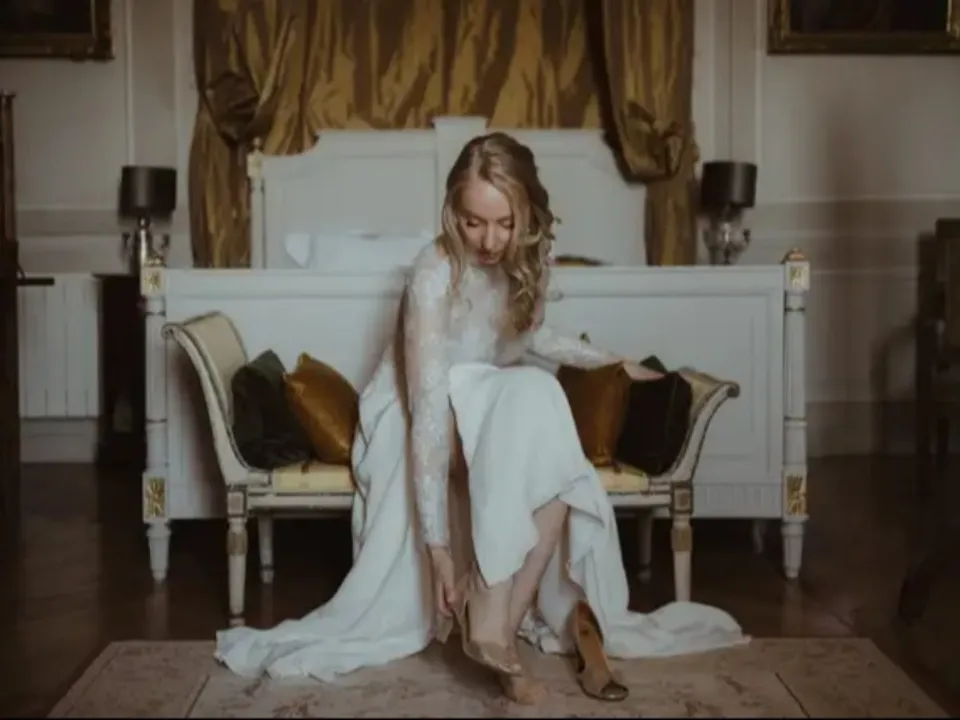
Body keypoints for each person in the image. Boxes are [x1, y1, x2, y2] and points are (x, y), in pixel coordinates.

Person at [215, 132, 749, 704]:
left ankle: (499, 623)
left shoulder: (526, 262)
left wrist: (613, 362)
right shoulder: (432, 273)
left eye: (505, 223)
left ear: (527, 215)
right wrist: (439, 550)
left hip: (479, 400)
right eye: (473, 223)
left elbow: (533, 337)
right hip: (410, 411)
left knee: (553, 440)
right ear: (453, 212)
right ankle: (492, 617)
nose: (490, 241)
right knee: (531, 399)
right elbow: (426, 410)